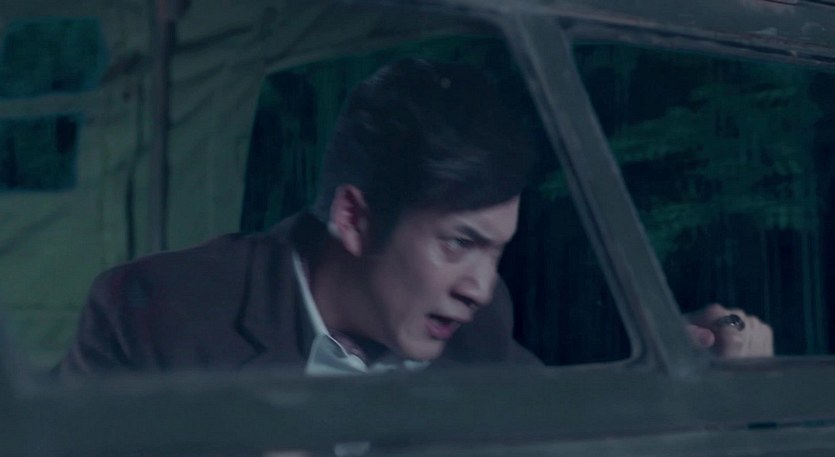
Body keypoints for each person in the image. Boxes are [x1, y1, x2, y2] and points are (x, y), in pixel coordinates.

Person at [56, 58, 770, 378]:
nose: (479, 288)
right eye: (460, 244)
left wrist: (684, 359)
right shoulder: (154, 313)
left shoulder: (476, 326)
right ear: (354, 218)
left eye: (496, 253)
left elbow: (556, 436)